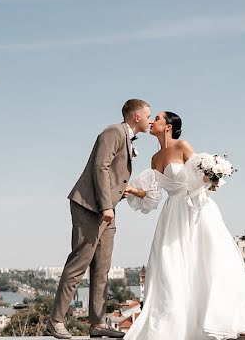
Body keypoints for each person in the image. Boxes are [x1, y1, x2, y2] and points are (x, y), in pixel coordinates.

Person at [122, 111, 245, 340]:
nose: (152, 122)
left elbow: (203, 175)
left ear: (168, 126)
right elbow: (152, 195)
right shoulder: (154, 159)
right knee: (169, 266)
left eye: (157, 118)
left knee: (208, 260)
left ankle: (230, 319)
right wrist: (131, 190)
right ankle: (177, 326)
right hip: (171, 215)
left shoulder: (182, 146)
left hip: (195, 211)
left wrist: (214, 174)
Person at [46, 99, 152, 339]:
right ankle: (55, 321)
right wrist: (106, 204)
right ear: (136, 117)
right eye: (148, 115)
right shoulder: (113, 132)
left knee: (102, 269)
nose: (150, 119)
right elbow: (100, 167)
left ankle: (98, 323)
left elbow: (111, 173)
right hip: (90, 208)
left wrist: (118, 193)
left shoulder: (125, 137)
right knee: (78, 265)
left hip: (107, 210)